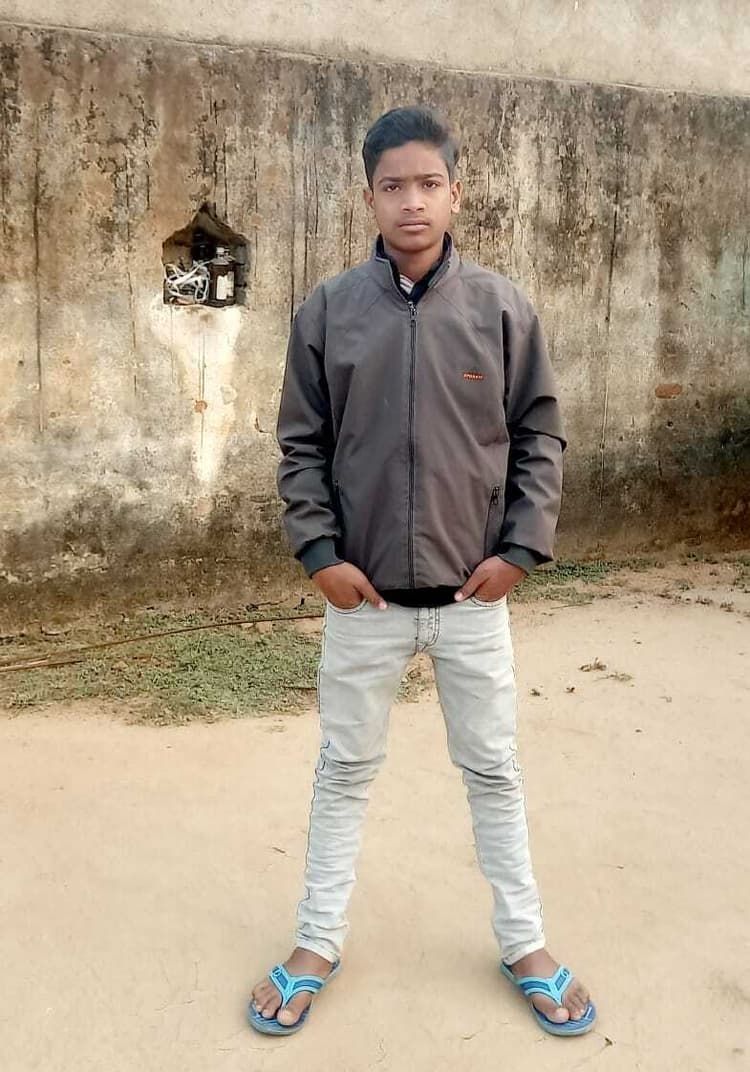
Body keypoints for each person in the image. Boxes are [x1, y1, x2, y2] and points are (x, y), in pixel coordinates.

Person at [248, 105, 596, 1038]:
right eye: (393, 186)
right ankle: (317, 940)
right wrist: (320, 554)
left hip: (472, 598)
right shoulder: (330, 311)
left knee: (493, 769)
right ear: (368, 197)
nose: (412, 202)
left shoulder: (500, 309)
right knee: (344, 769)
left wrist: (519, 549)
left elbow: (539, 436)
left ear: (456, 193)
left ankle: (524, 941)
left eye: (428, 184)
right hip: (362, 600)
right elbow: (301, 443)